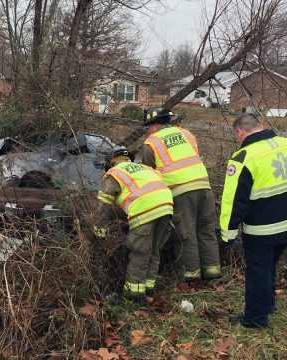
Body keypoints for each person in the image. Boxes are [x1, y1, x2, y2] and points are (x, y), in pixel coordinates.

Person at [220, 113, 287, 328]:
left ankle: (256, 318)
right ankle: (268, 304)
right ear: (261, 126)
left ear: (240, 132)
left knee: (258, 270)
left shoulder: (243, 159)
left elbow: (233, 203)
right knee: (269, 265)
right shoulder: (284, 144)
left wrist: (228, 235)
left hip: (262, 228)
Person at [141, 107, 221, 282]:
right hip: (204, 187)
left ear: (154, 125)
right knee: (206, 230)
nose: (147, 130)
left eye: (148, 126)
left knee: (186, 233)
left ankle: (190, 277)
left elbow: (148, 175)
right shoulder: (187, 134)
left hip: (179, 191)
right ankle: (213, 273)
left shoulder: (151, 142)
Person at [93, 147, 173, 306]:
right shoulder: (146, 168)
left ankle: (134, 297)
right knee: (154, 250)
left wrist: (99, 232)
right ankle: (149, 290)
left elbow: (103, 205)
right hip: (167, 206)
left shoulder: (114, 174)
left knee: (139, 251)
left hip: (145, 208)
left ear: (110, 164)